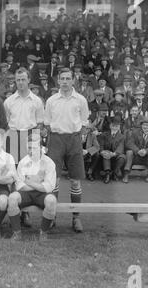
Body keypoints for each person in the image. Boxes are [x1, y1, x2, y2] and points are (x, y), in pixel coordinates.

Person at [44, 68, 89, 233]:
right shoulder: (51, 100)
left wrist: (78, 137)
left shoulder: (81, 100)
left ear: (73, 80)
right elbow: (47, 122)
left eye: (67, 78)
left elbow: (84, 121)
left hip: (74, 139)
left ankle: (76, 217)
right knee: (53, 180)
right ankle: (52, 215)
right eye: (62, 78)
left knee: (75, 180)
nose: (64, 81)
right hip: (56, 139)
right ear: (58, 80)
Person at [7, 133, 57, 241]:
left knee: (52, 201)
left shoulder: (49, 163)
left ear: (40, 147)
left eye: (34, 147)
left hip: (42, 194)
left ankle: (43, 232)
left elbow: (49, 187)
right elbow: (20, 185)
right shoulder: (23, 162)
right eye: (29, 147)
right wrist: (39, 184)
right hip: (26, 194)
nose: (31, 150)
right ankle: (17, 233)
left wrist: (30, 182)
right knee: (12, 198)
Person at [123, 116, 148, 183]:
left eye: (147, 125)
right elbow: (130, 143)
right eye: (144, 125)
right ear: (141, 125)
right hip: (136, 156)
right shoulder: (135, 133)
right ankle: (126, 174)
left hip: (147, 157)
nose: (145, 127)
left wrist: (146, 151)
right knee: (129, 152)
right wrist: (137, 150)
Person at [98, 117, 126, 184]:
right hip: (106, 155)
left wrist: (114, 154)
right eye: (113, 126)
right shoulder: (104, 134)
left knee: (122, 157)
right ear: (110, 126)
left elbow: (121, 147)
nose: (114, 127)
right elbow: (100, 145)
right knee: (106, 154)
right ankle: (107, 174)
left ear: (119, 127)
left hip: (116, 155)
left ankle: (114, 173)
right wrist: (102, 151)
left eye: (116, 126)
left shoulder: (122, 136)